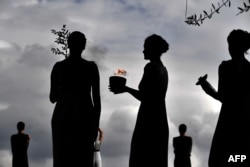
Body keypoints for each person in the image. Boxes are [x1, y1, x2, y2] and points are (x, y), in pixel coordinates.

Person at [110, 34, 169, 167]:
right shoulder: (164, 70)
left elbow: (145, 96)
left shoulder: (150, 67)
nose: (143, 51)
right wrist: (125, 89)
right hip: (160, 119)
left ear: (152, 49)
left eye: (145, 48)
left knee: (142, 158)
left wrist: (125, 88)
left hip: (148, 119)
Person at [197, 29, 250, 167]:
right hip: (246, 123)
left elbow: (222, 96)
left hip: (228, 123)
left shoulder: (226, 67)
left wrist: (205, 85)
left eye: (231, 45)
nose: (229, 48)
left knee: (220, 160)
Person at [50, 31, 101, 167]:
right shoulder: (91, 67)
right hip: (85, 117)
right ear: (83, 46)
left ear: (68, 44)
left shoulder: (58, 67)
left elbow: (52, 97)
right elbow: (97, 100)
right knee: (83, 159)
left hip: (62, 116)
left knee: (62, 159)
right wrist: (95, 125)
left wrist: (64, 89)